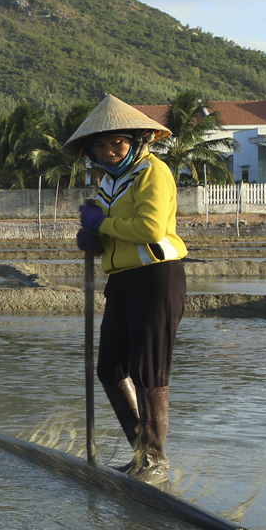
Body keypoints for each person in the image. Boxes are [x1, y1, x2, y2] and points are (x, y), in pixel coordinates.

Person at [65, 94, 186, 482]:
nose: (109, 151)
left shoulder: (153, 172)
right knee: (110, 368)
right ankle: (141, 452)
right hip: (122, 280)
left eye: (117, 142)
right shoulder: (110, 181)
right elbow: (100, 220)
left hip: (156, 276)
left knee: (148, 370)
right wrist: (91, 235)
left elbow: (150, 229)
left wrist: (100, 226)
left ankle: (154, 458)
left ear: (137, 140)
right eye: (100, 145)